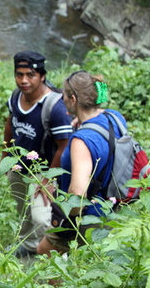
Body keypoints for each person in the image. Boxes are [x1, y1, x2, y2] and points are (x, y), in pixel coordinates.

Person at [37, 70, 122, 256]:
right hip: (111, 206)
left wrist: (63, 214)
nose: (62, 100)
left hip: (87, 216)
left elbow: (78, 197)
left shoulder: (81, 142)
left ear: (73, 99)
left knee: (46, 253)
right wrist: (81, 120)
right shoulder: (114, 117)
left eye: (64, 96)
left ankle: (56, 286)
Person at [2, 51, 73, 257]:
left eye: (30, 75)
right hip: (19, 166)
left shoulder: (55, 107)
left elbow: (64, 145)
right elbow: (10, 124)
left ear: (42, 76)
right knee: (23, 210)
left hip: (43, 171)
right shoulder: (16, 97)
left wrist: (48, 179)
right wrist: (6, 154)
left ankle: (56, 259)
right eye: (19, 74)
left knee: (42, 218)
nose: (23, 80)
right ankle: (29, 246)